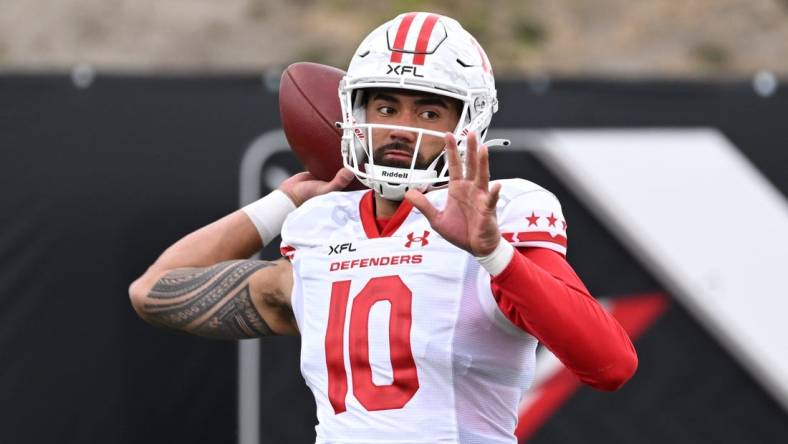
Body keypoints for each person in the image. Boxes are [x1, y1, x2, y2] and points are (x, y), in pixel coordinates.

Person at [129, 12, 637, 443]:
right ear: (354, 112)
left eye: (429, 110)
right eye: (386, 106)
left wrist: (492, 253)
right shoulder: (319, 230)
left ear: (469, 124)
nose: (400, 126)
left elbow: (610, 364)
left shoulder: (501, 215)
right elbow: (152, 292)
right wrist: (285, 199)